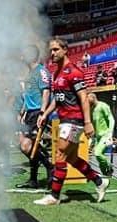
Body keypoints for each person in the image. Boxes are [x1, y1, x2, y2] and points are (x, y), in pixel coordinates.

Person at [34, 37, 109, 205]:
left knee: (60, 154)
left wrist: (88, 122)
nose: (52, 53)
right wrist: (45, 114)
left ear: (65, 50)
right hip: (64, 119)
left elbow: (84, 98)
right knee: (72, 158)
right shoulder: (56, 73)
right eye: (50, 50)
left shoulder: (74, 72)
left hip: (74, 121)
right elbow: (57, 99)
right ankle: (100, 182)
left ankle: (54, 196)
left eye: (55, 50)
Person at [15, 45, 54, 189]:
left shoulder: (41, 71)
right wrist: (23, 112)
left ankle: (50, 167)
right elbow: (28, 96)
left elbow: (46, 92)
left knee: (27, 146)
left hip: (38, 112)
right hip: (29, 113)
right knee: (24, 145)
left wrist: (43, 113)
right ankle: (33, 179)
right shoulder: (29, 73)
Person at [88, 92, 115, 176]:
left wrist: (110, 133)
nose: (87, 101)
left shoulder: (103, 106)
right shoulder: (92, 109)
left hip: (105, 135)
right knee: (98, 156)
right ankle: (105, 174)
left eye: (88, 98)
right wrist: (92, 137)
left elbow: (111, 119)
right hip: (97, 137)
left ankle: (109, 168)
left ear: (93, 97)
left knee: (97, 153)